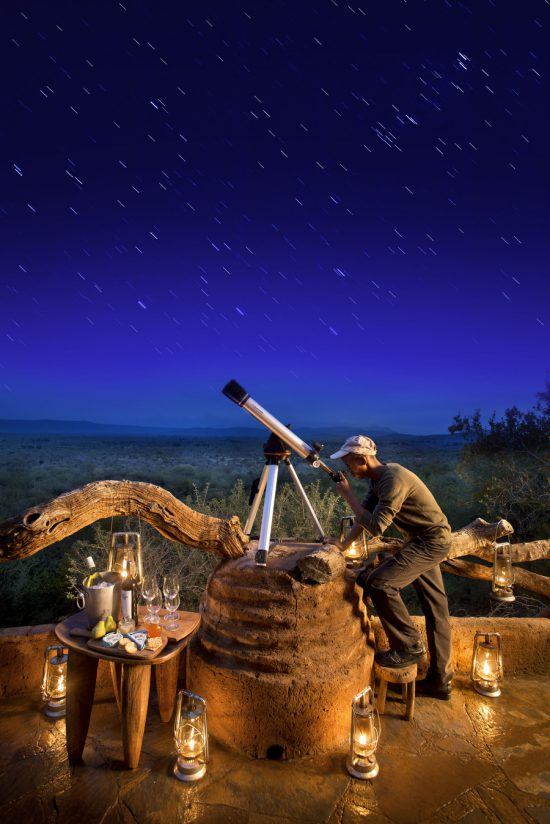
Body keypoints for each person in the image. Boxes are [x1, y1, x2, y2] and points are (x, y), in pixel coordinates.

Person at [331, 434, 453, 700]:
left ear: (361, 459)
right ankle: (440, 681)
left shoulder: (393, 480)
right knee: (436, 609)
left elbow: (375, 527)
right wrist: (339, 547)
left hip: (430, 542)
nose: (348, 469)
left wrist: (346, 494)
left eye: (349, 462)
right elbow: (363, 518)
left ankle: (409, 646)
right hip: (421, 540)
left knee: (380, 582)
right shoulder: (379, 480)